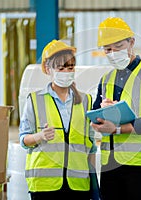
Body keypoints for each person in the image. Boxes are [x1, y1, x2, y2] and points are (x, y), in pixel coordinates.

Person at [91, 17, 141, 200]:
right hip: (110, 165)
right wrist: (101, 114)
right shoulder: (106, 78)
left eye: (118, 46)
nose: (113, 52)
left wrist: (116, 129)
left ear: (131, 42)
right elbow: (93, 117)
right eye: (107, 49)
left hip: (140, 167)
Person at [19, 39, 99, 200]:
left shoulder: (86, 101)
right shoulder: (35, 100)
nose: (66, 72)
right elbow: (23, 139)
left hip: (78, 184)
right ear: (48, 69)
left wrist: (94, 184)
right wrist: (39, 136)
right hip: (44, 185)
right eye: (60, 68)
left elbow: (90, 148)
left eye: (70, 67)